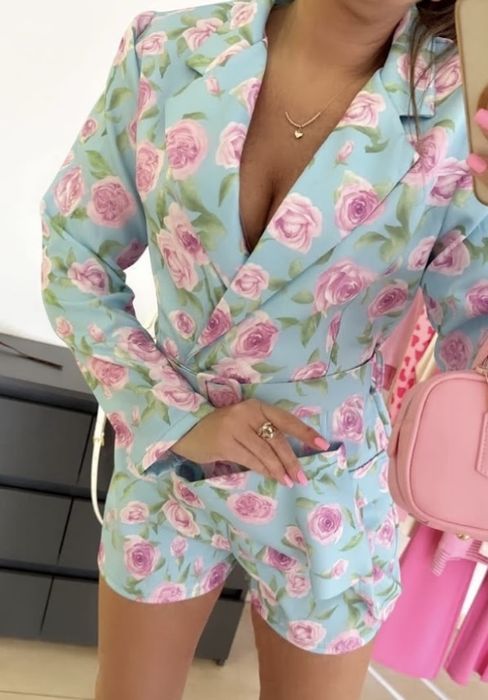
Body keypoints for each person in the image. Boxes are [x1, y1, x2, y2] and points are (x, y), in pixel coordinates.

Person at [39, 0, 488, 698]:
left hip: (328, 485)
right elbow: (75, 255)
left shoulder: (462, 118)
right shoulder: (169, 49)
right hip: (167, 462)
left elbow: (475, 342)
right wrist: (177, 418)